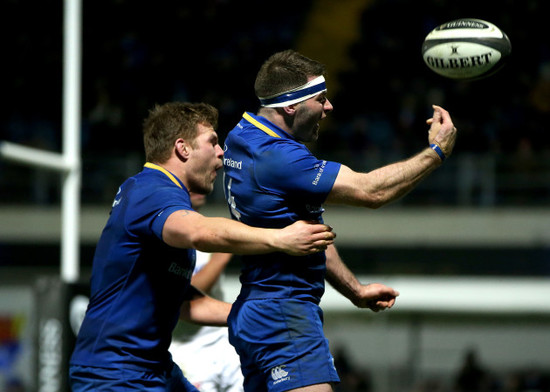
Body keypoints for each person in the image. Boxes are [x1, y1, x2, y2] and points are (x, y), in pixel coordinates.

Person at [222, 50, 457, 392]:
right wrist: (436, 153)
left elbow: (309, 234)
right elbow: (371, 191)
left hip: (257, 311)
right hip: (284, 313)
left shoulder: (241, 136)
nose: (329, 107)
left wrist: (356, 291)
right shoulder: (278, 158)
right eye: (320, 99)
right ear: (290, 106)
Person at [69, 102, 336, 392]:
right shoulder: (151, 189)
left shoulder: (161, 196)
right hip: (115, 373)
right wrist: (279, 238)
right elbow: (198, 231)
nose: (222, 153)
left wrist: (253, 314)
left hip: (153, 368)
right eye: (212, 141)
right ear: (183, 148)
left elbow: (187, 303)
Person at [170, 192, 244, 392]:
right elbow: (185, 294)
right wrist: (222, 256)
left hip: (222, 342)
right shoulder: (169, 236)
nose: (200, 189)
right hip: (186, 349)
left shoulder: (207, 228)